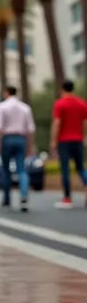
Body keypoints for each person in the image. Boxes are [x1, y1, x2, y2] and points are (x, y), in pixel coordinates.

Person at [0, 86, 35, 212]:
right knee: (21, 169)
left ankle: (6, 199)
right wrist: (30, 146)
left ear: (6, 93)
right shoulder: (25, 108)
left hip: (7, 139)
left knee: (6, 169)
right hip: (21, 139)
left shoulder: (2, 107)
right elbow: (31, 129)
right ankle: (24, 196)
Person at [51, 80, 87, 209]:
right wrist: (83, 137)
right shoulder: (82, 103)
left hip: (64, 141)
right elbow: (84, 122)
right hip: (78, 139)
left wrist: (53, 140)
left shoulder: (59, 104)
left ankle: (67, 198)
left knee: (65, 169)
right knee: (80, 168)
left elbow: (57, 123)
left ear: (62, 89)